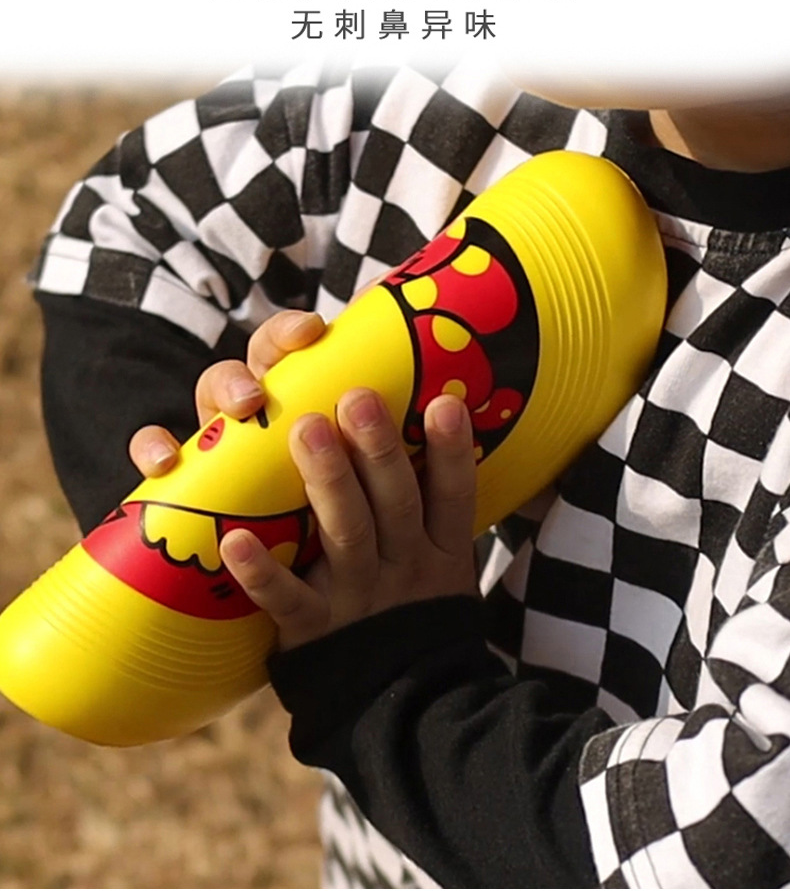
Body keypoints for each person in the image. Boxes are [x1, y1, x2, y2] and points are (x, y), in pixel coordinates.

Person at [32, 58, 790, 887]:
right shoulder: (443, 94)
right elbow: (135, 222)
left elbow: (734, 843)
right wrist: (207, 500)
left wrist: (388, 678)